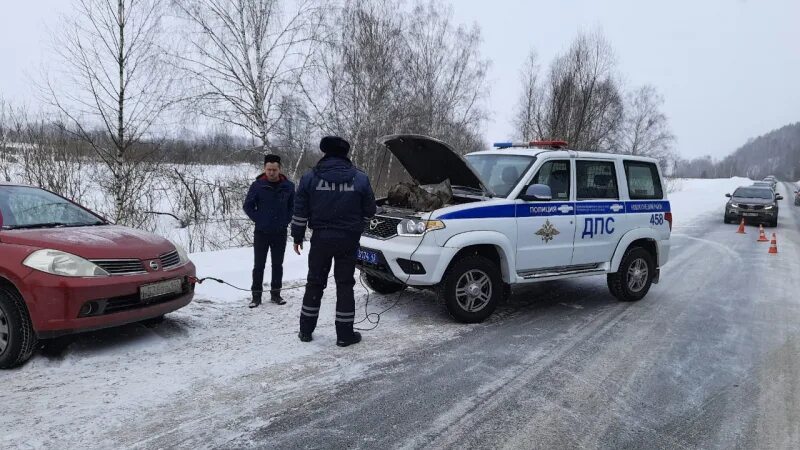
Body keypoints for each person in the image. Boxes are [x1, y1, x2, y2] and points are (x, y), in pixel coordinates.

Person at [291, 136, 376, 347]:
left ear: (325, 153)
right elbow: (370, 211)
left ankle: (306, 331)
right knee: (345, 285)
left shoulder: (310, 177)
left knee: (315, 283)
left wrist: (298, 235)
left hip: (321, 239)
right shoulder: (360, 178)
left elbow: (300, 209)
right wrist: (358, 227)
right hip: (348, 239)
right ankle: (344, 335)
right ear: (345, 154)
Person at [243, 154, 295, 308]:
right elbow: (248, 206)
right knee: (259, 265)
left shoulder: (289, 186)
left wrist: (286, 219)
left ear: (280, 169)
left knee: (277, 265)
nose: (271, 172)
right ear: (264, 169)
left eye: (274, 169)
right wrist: (259, 219)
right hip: (261, 232)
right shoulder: (257, 185)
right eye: (268, 169)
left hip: (280, 232)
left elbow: (293, 206)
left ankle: (276, 294)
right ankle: (256, 296)